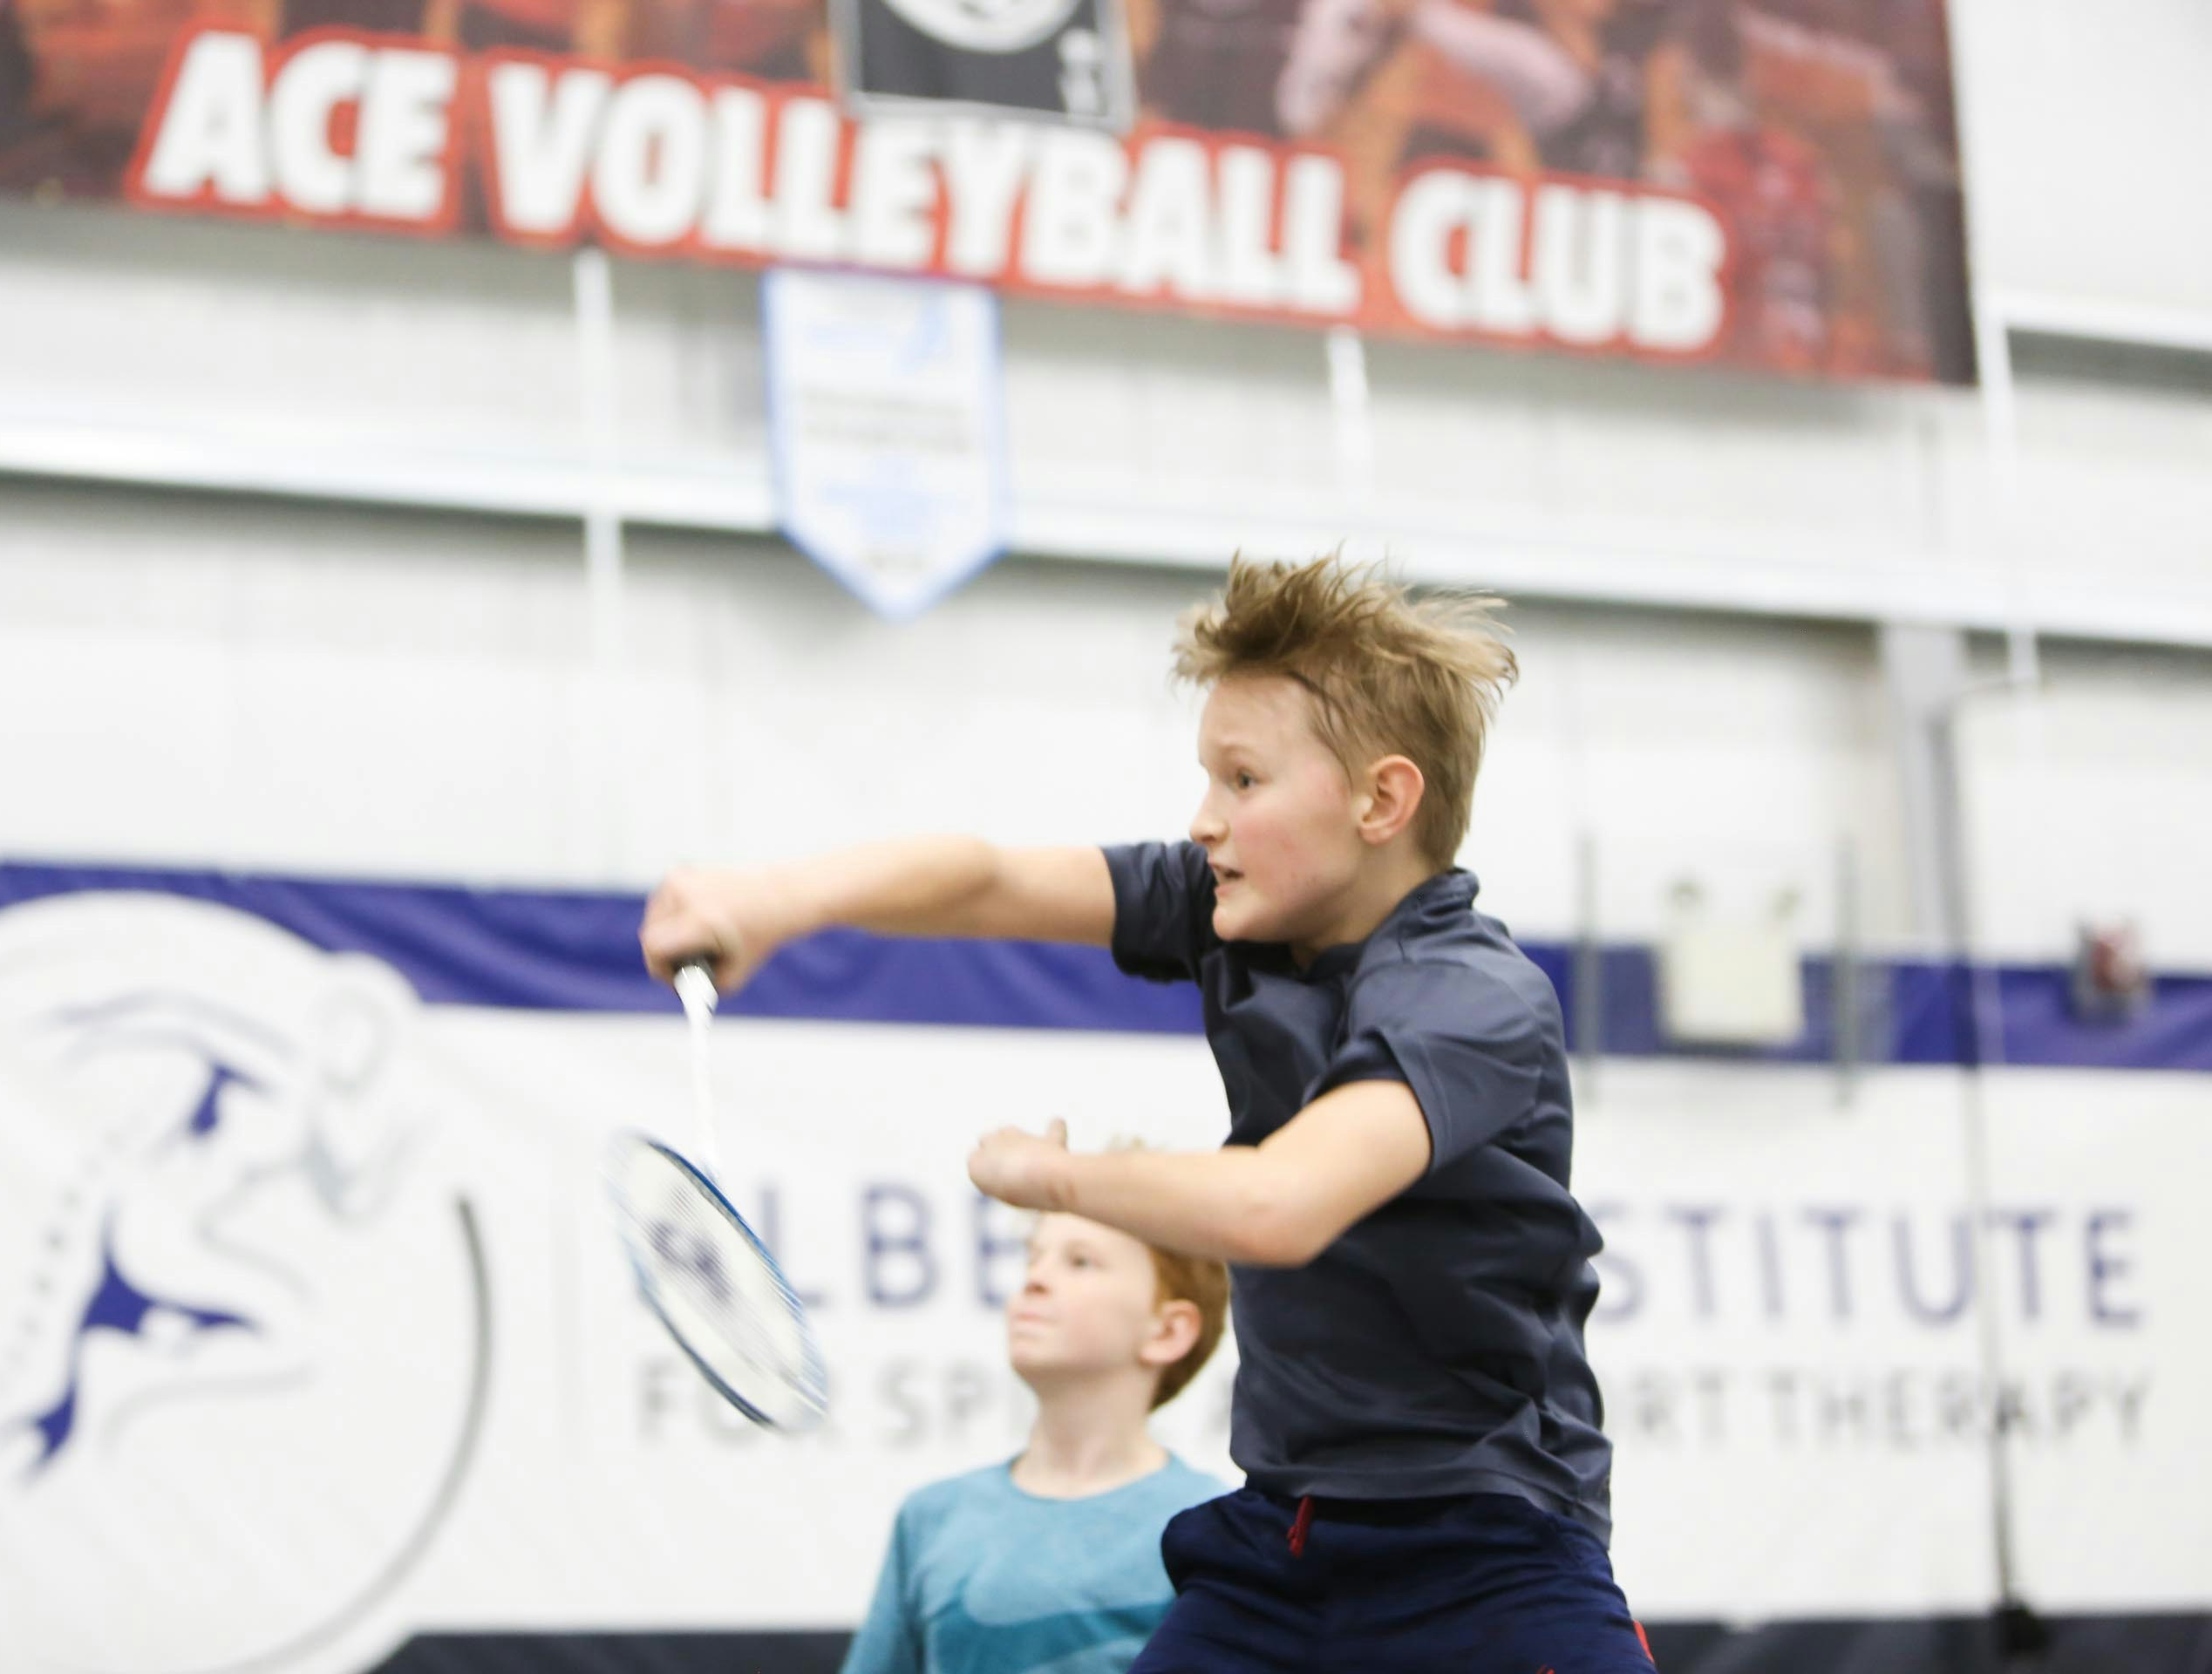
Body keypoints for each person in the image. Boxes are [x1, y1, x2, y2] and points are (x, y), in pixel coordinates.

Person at [644, 555, 1650, 1672]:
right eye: (1206, 780)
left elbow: (1281, 1204)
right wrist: (773, 901)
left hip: (1489, 1560)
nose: (1205, 820)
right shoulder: (1225, 914)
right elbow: (985, 879)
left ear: (1382, 800)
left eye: (1244, 782)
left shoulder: (1472, 998)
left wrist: (1057, 1181)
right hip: (1284, 1547)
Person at [841, 1207, 1230, 1674]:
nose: (1036, 1279)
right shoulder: (932, 1518)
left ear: (1167, 1330)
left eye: (1080, 1262)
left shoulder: (1213, 1528)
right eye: (1032, 1259)